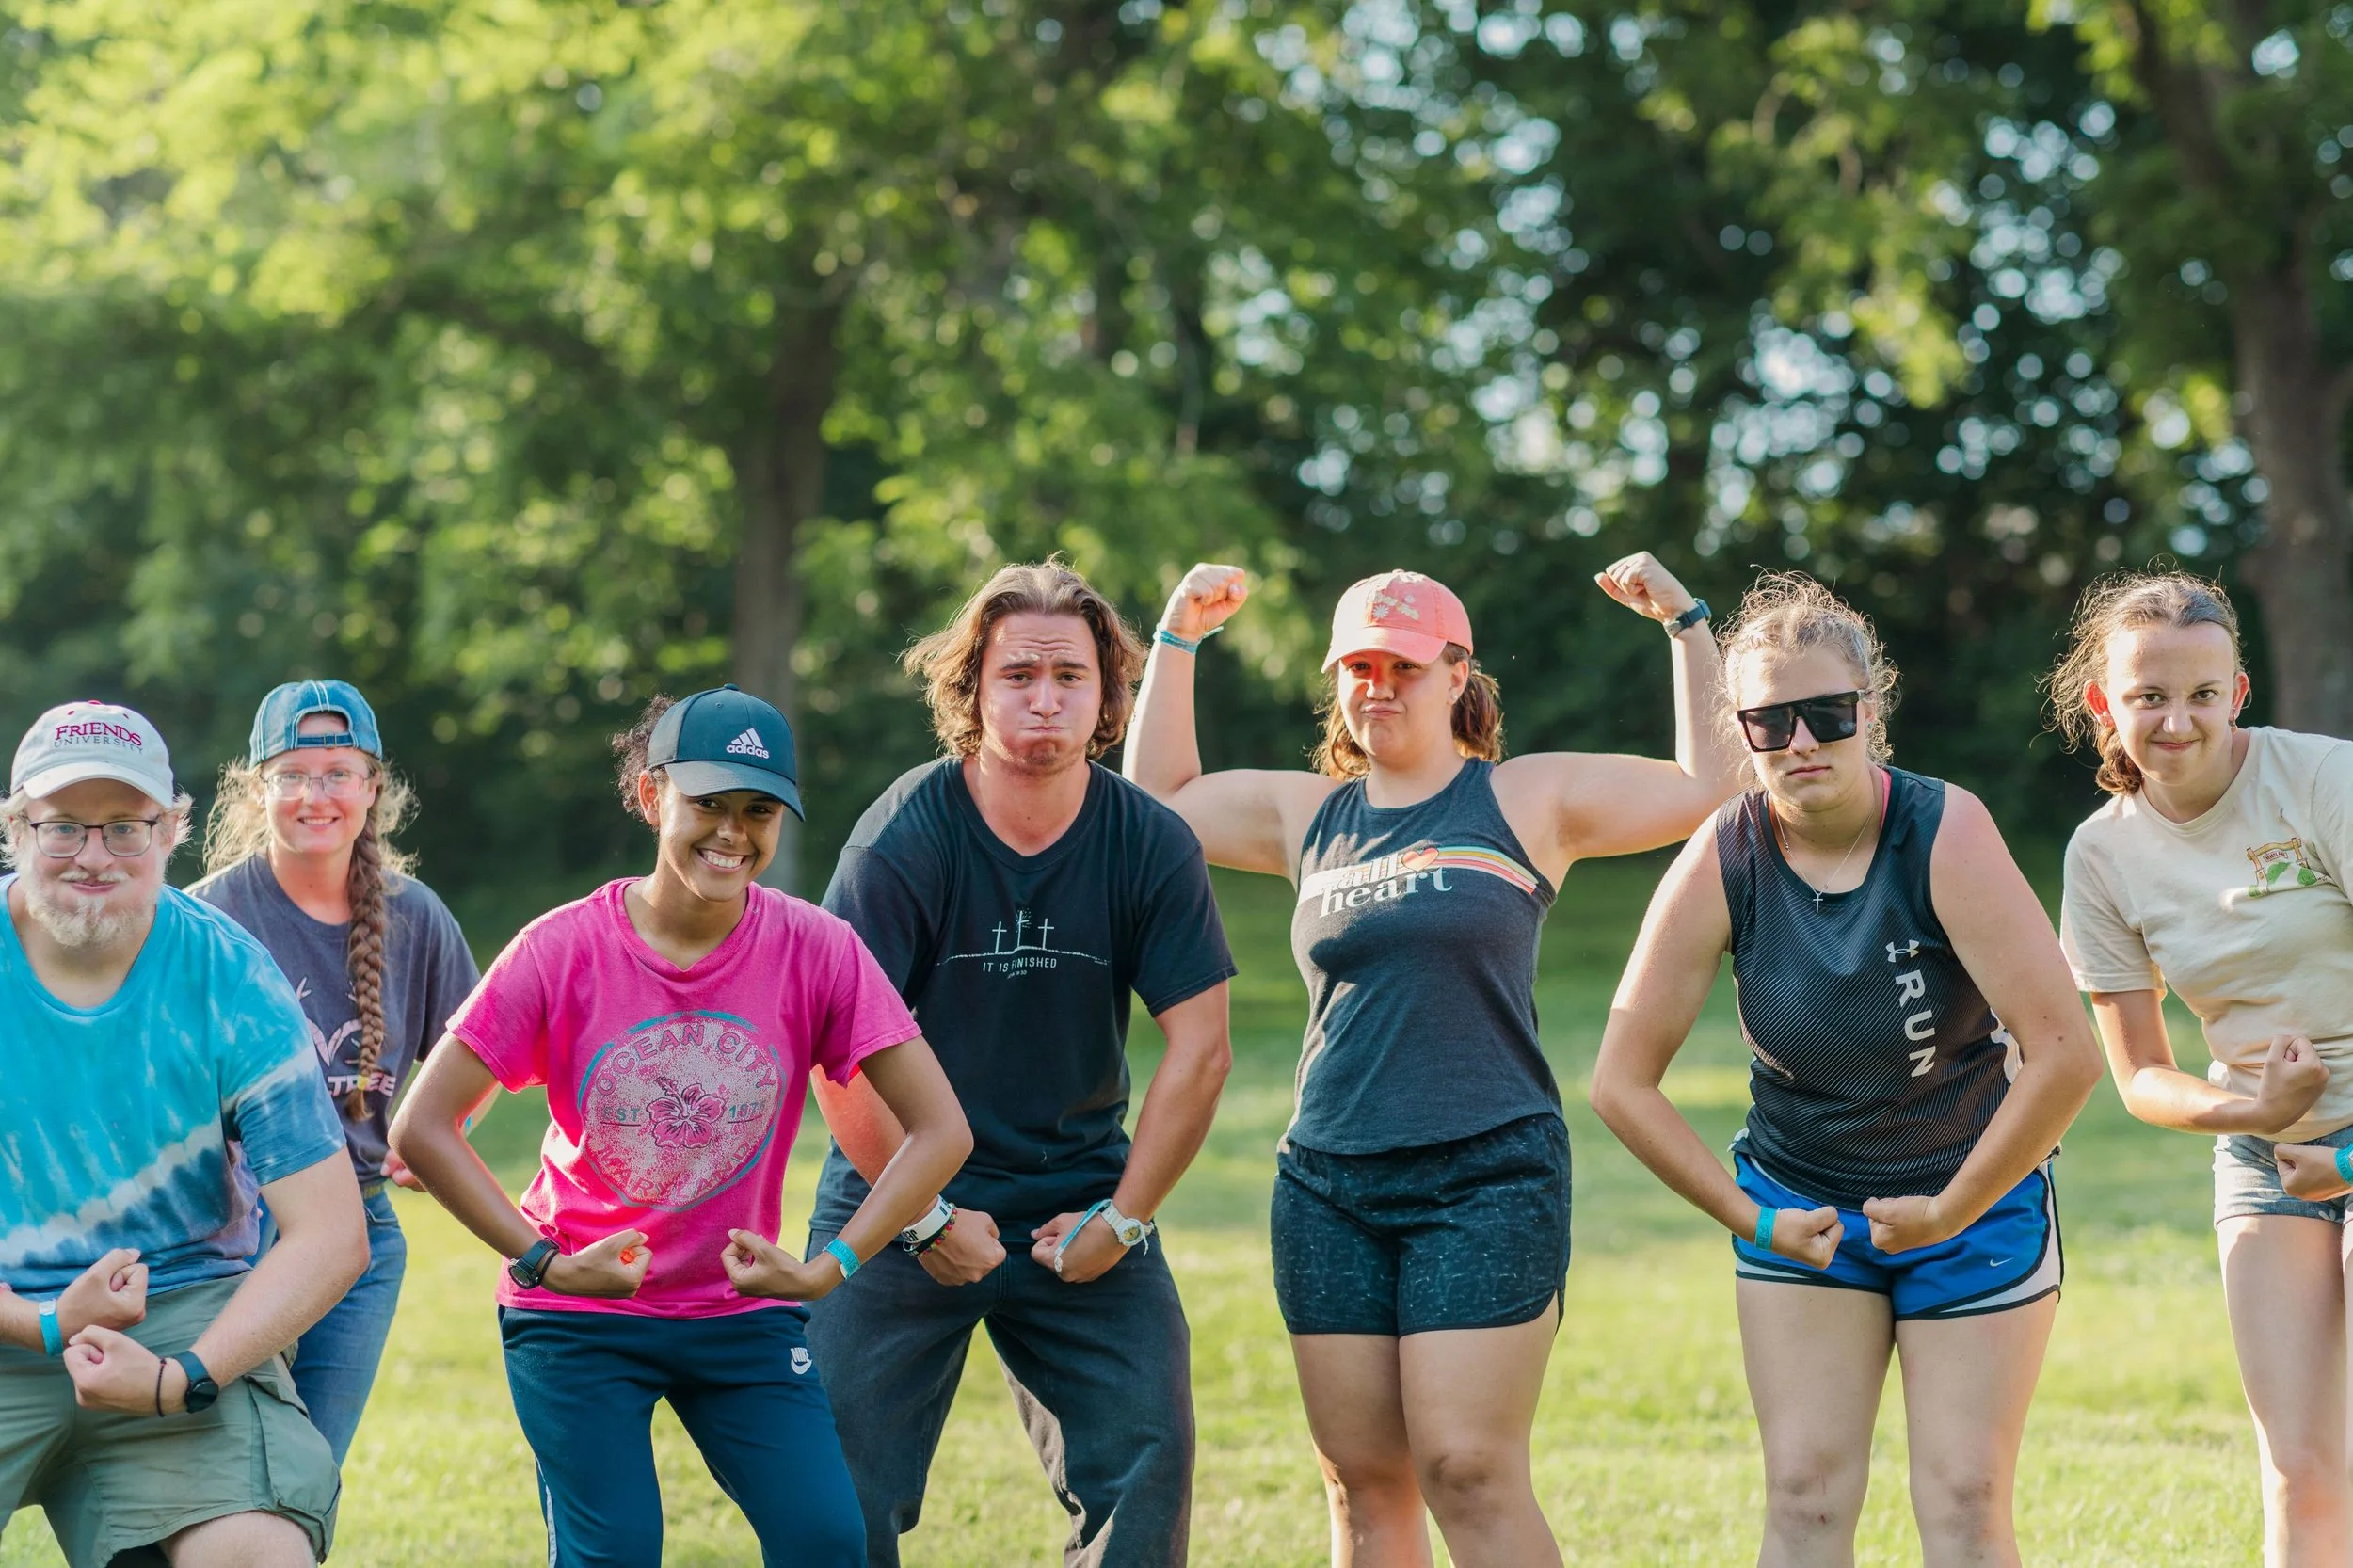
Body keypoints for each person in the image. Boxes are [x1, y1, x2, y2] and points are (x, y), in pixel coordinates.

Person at [1124, 552, 1740, 1567]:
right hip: (1327, 1180)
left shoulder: (1524, 799)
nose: (1378, 686)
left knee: (1467, 1467)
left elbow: (1707, 785)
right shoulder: (1308, 814)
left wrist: (1684, 622)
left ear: (1458, 675)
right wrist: (1177, 635)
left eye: (1404, 666)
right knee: (1362, 1481)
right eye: (1358, 666)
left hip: (1486, 1172)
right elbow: (1154, 805)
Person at [387, 685, 971, 1568]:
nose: (732, 832)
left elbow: (941, 1132)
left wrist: (827, 1267)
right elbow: (423, 1128)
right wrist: (544, 1259)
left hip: (737, 1316)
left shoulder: (819, 950)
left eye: (758, 810)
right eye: (708, 803)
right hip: (577, 1315)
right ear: (652, 795)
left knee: (826, 1540)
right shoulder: (561, 948)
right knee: (616, 1552)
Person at [1589, 574, 2101, 1568]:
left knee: (1962, 1496)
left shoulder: (1942, 830)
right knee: (1805, 1496)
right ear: (1740, 731)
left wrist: (1950, 1208)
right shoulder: (1723, 854)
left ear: (1870, 711)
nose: (1801, 742)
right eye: (1770, 721)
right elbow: (1620, 1081)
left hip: (1973, 1195)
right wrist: (1755, 1220)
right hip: (1801, 1205)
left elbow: (2066, 1054)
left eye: (1825, 714)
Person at [802, 561, 1235, 1568]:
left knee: (1149, 1467)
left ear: (1107, 695)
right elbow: (836, 1046)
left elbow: (1202, 1051)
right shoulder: (907, 830)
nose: (1045, 698)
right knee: (828, 1486)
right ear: (972, 691)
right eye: (1018, 675)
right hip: (902, 1181)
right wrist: (924, 1214)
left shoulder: (1150, 844)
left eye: (1071, 677)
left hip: (1078, 1193)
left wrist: (1124, 1217)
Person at [0, 700, 366, 1568]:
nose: (94, 856)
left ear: (172, 831)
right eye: (62, 828)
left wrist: (183, 1378)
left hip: (180, 1315)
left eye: (125, 827)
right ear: (15, 827)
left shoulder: (231, 975)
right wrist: (42, 1327)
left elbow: (330, 1234)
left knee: (258, 1558)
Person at [2050, 572, 2353, 1564]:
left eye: (2200, 694)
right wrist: (2252, 1107)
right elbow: (2138, 1073)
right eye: (2147, 696)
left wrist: (2346, 1152)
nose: (2175, 720)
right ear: (2104, 702)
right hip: (2264, 1156)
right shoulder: (2100, 856)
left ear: (2239, 692)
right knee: (2297, 1464)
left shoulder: (2320, 781)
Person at [190, 680, 480, 1464]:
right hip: (228, 1234)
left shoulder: (415, 917)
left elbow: (484, 1057)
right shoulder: (206, 922)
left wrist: (434, 1132)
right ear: (260, 789)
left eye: (337, 773)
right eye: (293, 775)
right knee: (216, 1465)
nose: (315, 796)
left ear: (372, 787)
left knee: (309, 1471)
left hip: (362, 1234)